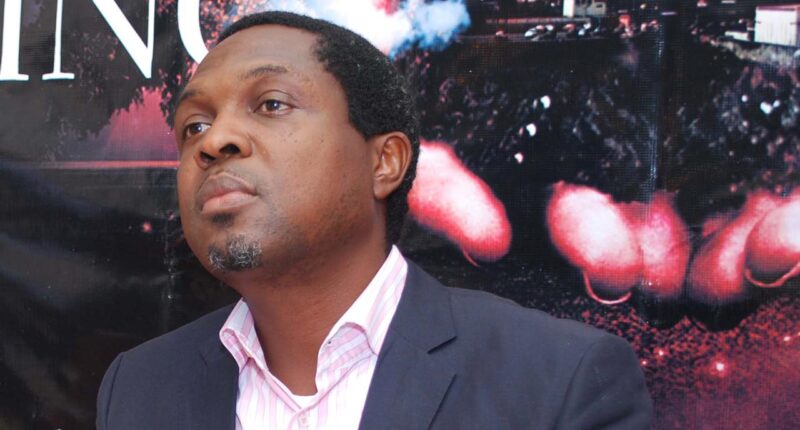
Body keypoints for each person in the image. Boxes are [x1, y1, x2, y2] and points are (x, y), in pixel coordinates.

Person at [96, 11, 653, 429]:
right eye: (194, 126)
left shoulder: (558, 380)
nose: (215, 140)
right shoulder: (138, 389)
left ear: (384, 163)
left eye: (271, 104)